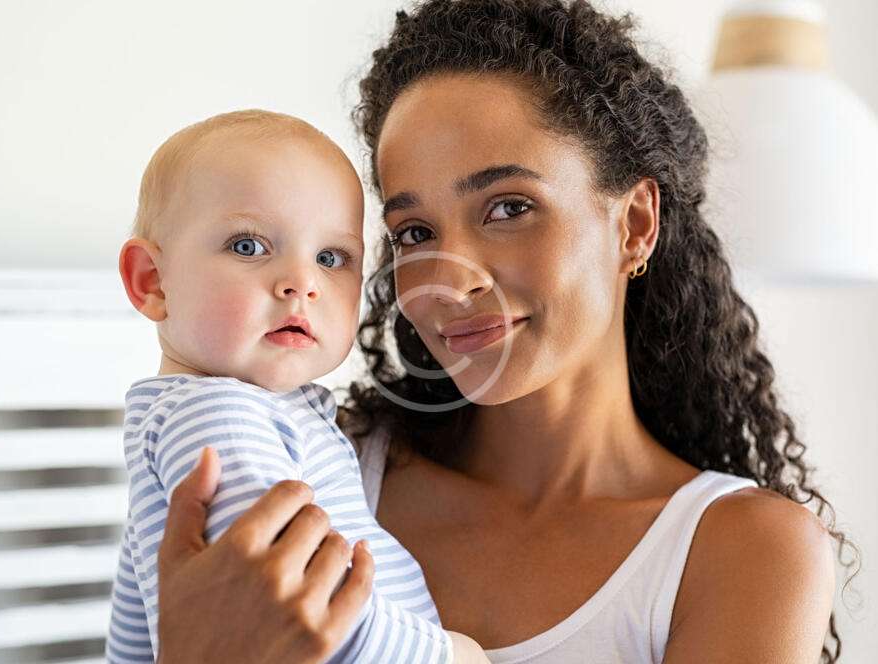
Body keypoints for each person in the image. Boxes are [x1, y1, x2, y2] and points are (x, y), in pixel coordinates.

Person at [149, 1, 854, 662]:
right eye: (415, 232)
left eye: (509, 208)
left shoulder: (744, 550)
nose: (450, 281)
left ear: (635, 223)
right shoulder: (307, 470)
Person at [106, 109, 490, 663]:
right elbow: (286, 599)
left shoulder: (219, 417)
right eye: (248, 246)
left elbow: (134, 632)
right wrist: (445, 655)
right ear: (153, 281)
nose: (302, 283)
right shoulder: (217, 415)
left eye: (331, 258)